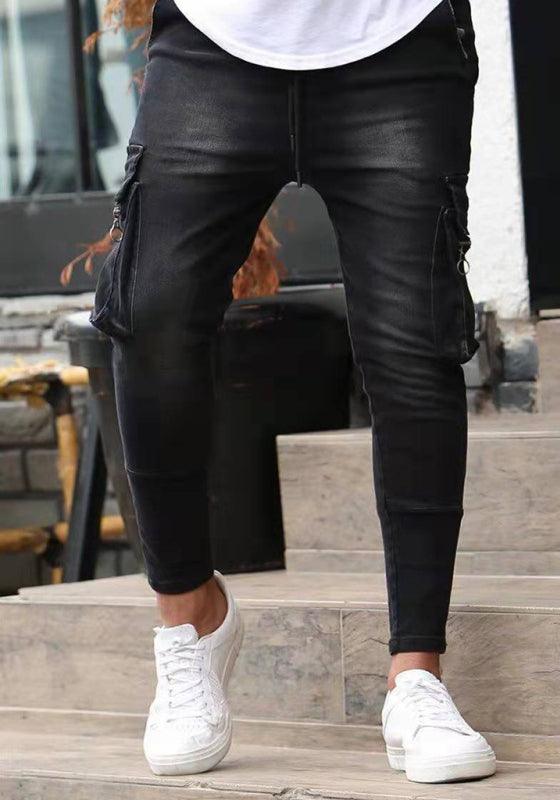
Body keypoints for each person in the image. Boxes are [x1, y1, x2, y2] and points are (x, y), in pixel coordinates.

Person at [89, 0, 497, 785]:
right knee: (153, 315)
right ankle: (190, 618)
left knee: (414, 345)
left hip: (396, 37)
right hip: (217, 38)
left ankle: (416, 677)